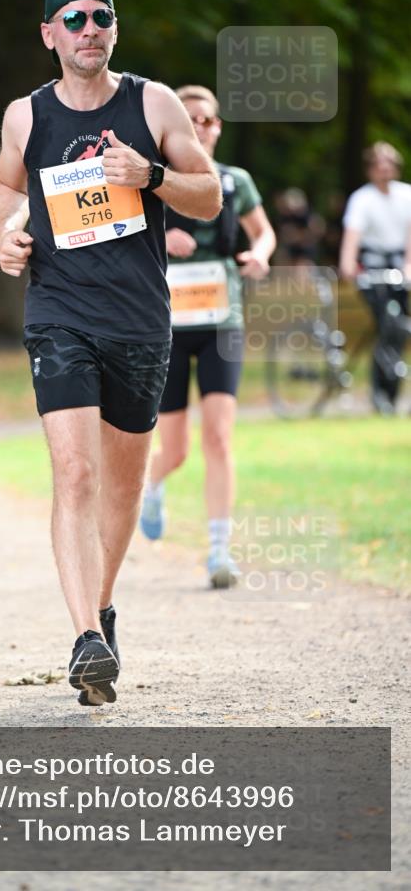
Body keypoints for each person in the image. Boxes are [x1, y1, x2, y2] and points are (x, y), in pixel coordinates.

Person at [0, 0, 221, 706]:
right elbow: (4, 185)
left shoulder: (152, 104)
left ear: (113, 30)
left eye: (102, 16)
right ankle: (86, 637)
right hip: (57, 311)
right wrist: (4, 232)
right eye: (74, 18)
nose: (89, 28)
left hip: (139, 320)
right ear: (49, 34)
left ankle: (104, 606)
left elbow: (209, 194)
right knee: (76, 475)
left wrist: (148, 174)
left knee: (120, 488)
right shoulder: (25, 116)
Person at [139, 85, 276, 588]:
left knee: (218, 436)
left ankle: (220, 550)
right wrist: (160, 237)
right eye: (191, 119)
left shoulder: (234, 182)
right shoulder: (155, 180)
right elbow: (121, 234)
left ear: (219, 127)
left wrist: (260, 252)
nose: (201, 127)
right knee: (173, 449)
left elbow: (263, 231)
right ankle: (152, 486)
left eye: (209, 120)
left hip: (222, 321)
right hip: (169, 326)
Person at [340, 141, 411, 413]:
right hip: (373, 265)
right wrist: (348, 264)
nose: (384, 168)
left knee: (398, 328)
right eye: (379, 163)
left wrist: (408, 265)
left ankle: (392, 394)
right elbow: (352, 237)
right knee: (386, 325)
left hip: (399, 265)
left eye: (389, 163)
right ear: (370, 169)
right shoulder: (362, 199)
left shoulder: (406, 195)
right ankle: (381, 395)